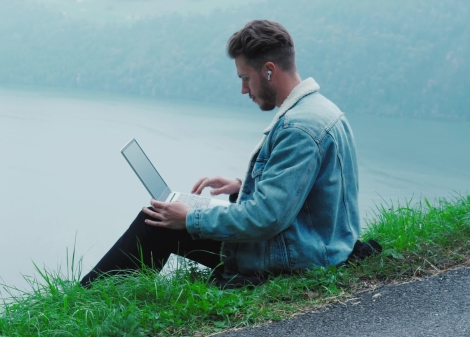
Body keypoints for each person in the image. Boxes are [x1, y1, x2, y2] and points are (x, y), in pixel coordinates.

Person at [80, 19, 361, 288]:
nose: (242, 89)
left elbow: (265, 219)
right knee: (164, 216)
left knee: (157, 221)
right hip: (319, 243)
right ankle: (97, 296)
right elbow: (306, 194)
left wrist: (190, 218)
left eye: (245, 78)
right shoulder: (322, 109)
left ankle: (85, 303)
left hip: (298, 257)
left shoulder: (298, 128)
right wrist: (242, 187)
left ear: (269, 71)